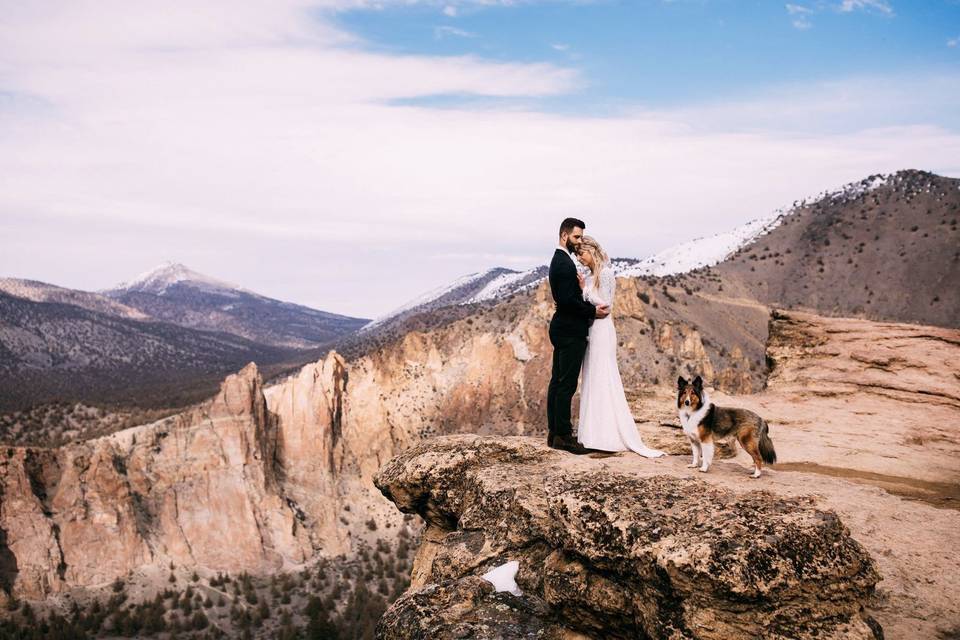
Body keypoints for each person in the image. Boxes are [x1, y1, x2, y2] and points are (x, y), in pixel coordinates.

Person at [574, 235, 665, 457]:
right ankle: (593, 435)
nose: (580, 259)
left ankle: (607, 437)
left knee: (603, 377)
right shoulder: (593, 274)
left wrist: (585, 290)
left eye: (582, 254)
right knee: (593, 378)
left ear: (592, 251)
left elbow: (606, 306)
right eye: (577, 255)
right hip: (594, 329)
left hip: (603, 330)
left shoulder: (605, 274)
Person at [546, 218, 609, 454]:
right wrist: (592, 311)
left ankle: (554, 433)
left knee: (557, 381)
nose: (579, 241)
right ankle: (563, 435)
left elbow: (567, 299)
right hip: (570, 329)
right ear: (564, 236)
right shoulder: (563, 263)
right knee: (566, 384)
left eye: (581, 237)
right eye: (576, 237)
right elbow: (567, 302)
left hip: (563, 327)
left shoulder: (561, 260)